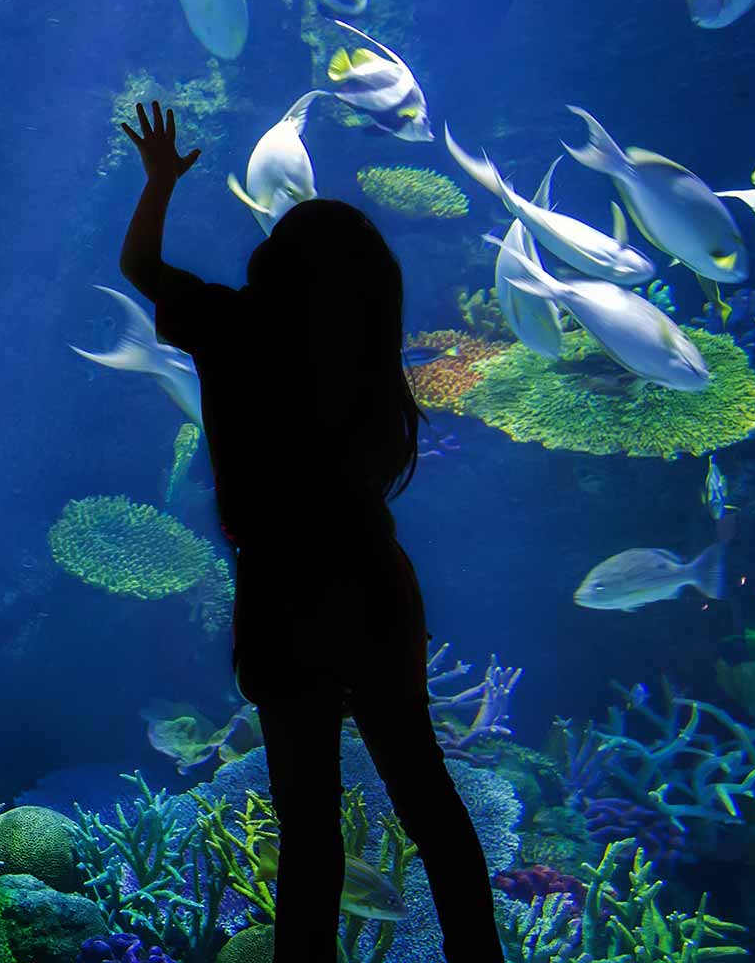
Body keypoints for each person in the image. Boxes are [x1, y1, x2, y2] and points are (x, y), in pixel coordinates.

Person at [116, 101, 501, 963]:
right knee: (428, 796)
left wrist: (160, 182)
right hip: (370, 578)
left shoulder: (234, 328)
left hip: (284, 589)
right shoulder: (366, 357)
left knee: (309, 823)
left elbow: (138, 263)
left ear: (277, 265)